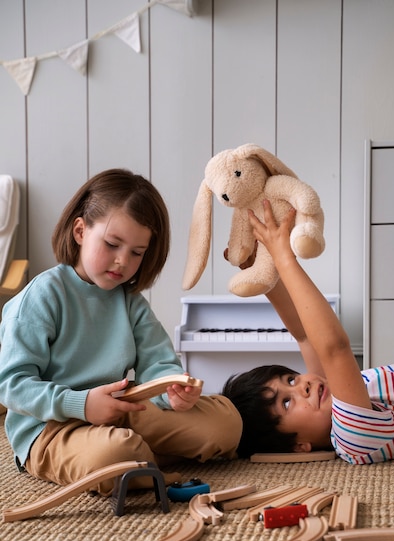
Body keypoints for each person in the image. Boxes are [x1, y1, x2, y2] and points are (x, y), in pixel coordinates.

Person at [0, 169, 242, 496]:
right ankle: (137, 461)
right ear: (80, 231)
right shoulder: (42, 296)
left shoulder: (129, 301)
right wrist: (81, 404)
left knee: (226, 424)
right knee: (117, 455)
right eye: (112, 244)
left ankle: (138, 461)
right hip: (52, 430)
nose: (122, 262)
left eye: (137, 252)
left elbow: (158, 363)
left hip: (120, 413)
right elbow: (12, 385)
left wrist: (172, 390)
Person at [222, 199, 394, 464]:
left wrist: (262, 273)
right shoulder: (353, 438)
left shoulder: (334, 397)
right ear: (299, 446)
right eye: (287, 403)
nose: (302, 386)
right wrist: (283, 258)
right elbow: (334, 347)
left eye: (290, 380)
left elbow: (303, 333)